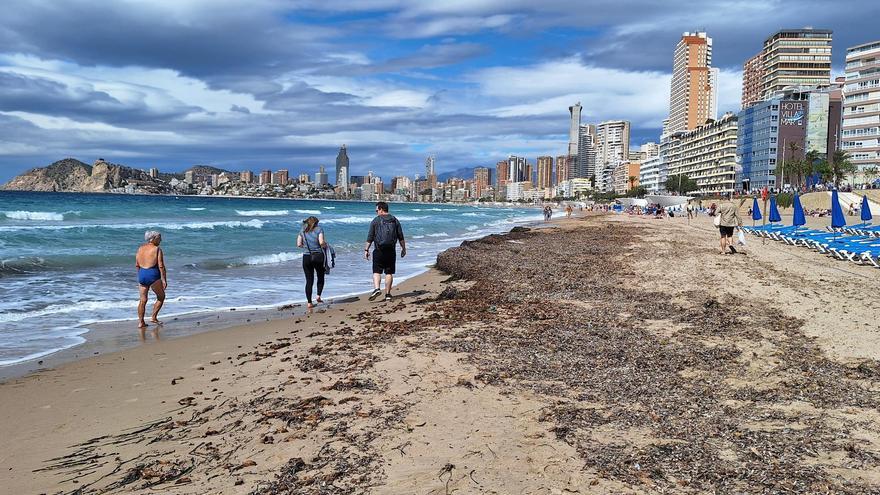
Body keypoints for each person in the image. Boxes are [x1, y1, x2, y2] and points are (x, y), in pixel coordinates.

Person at [364, 201, 406, 302]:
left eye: (377, 210)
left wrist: (366, 249)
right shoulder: (394, 220)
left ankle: (377, 289)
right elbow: (400, 236)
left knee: (376, 271)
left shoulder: (376, 220)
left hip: (379, 250)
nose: (376, 212)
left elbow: (370, 237)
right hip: (391, 250)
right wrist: (403, 248)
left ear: (381, 209)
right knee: (389, 272)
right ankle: (387, 294)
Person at [136, 230, 167, 328]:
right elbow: (161, 266)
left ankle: (141, 322)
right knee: (161, 297)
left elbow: (137, 265)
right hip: (152, 274)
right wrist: (164, 279)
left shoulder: (140, 248)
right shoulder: (157, 249)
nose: (161, 240)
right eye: (159, 238)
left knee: (143, 300)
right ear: (153, 239)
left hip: (142, 274)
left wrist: (140, 276)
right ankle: (153, 317)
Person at [297, 216, 326, 309]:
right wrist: (326, 245)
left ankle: (309, 303)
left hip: (306, 257)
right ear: (316, 223)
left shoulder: (302, 230)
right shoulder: (319, 229)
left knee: (309, 280)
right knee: (320, 276)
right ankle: (318, 296)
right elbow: (321, 242)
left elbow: (298, 244)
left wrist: (305, 246)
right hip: (318, 256)